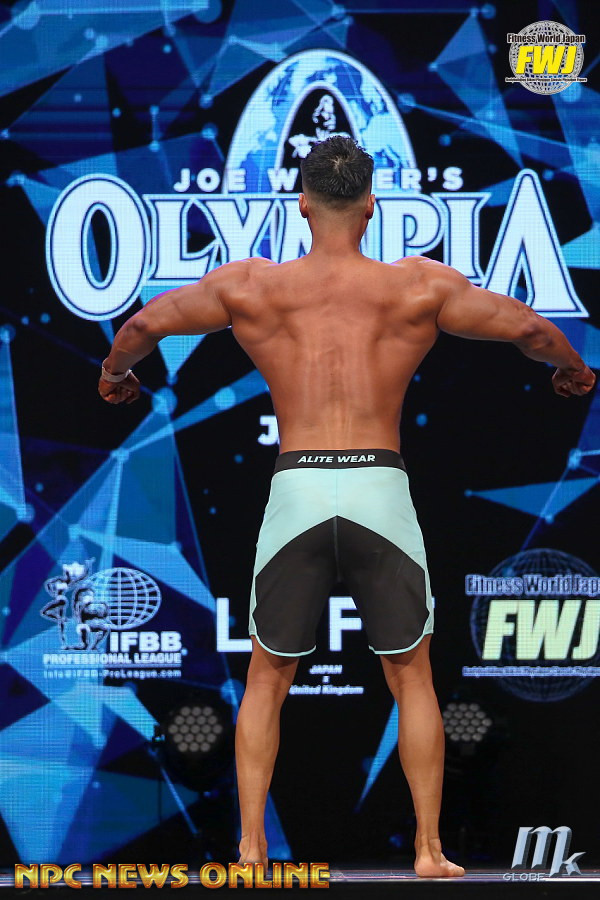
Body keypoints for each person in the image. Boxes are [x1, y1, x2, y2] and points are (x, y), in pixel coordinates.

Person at [98, 135, 595, 878]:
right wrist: (572, 368)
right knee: (412, 675)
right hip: (377, 487)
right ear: (371, 205)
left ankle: (250, 849)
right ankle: (429, 851)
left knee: (267, 676)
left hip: (298, 487)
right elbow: (528, 329)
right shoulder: (417, 287)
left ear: (302, 204)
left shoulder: (252, 286)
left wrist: (116, 375)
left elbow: (141, 329)